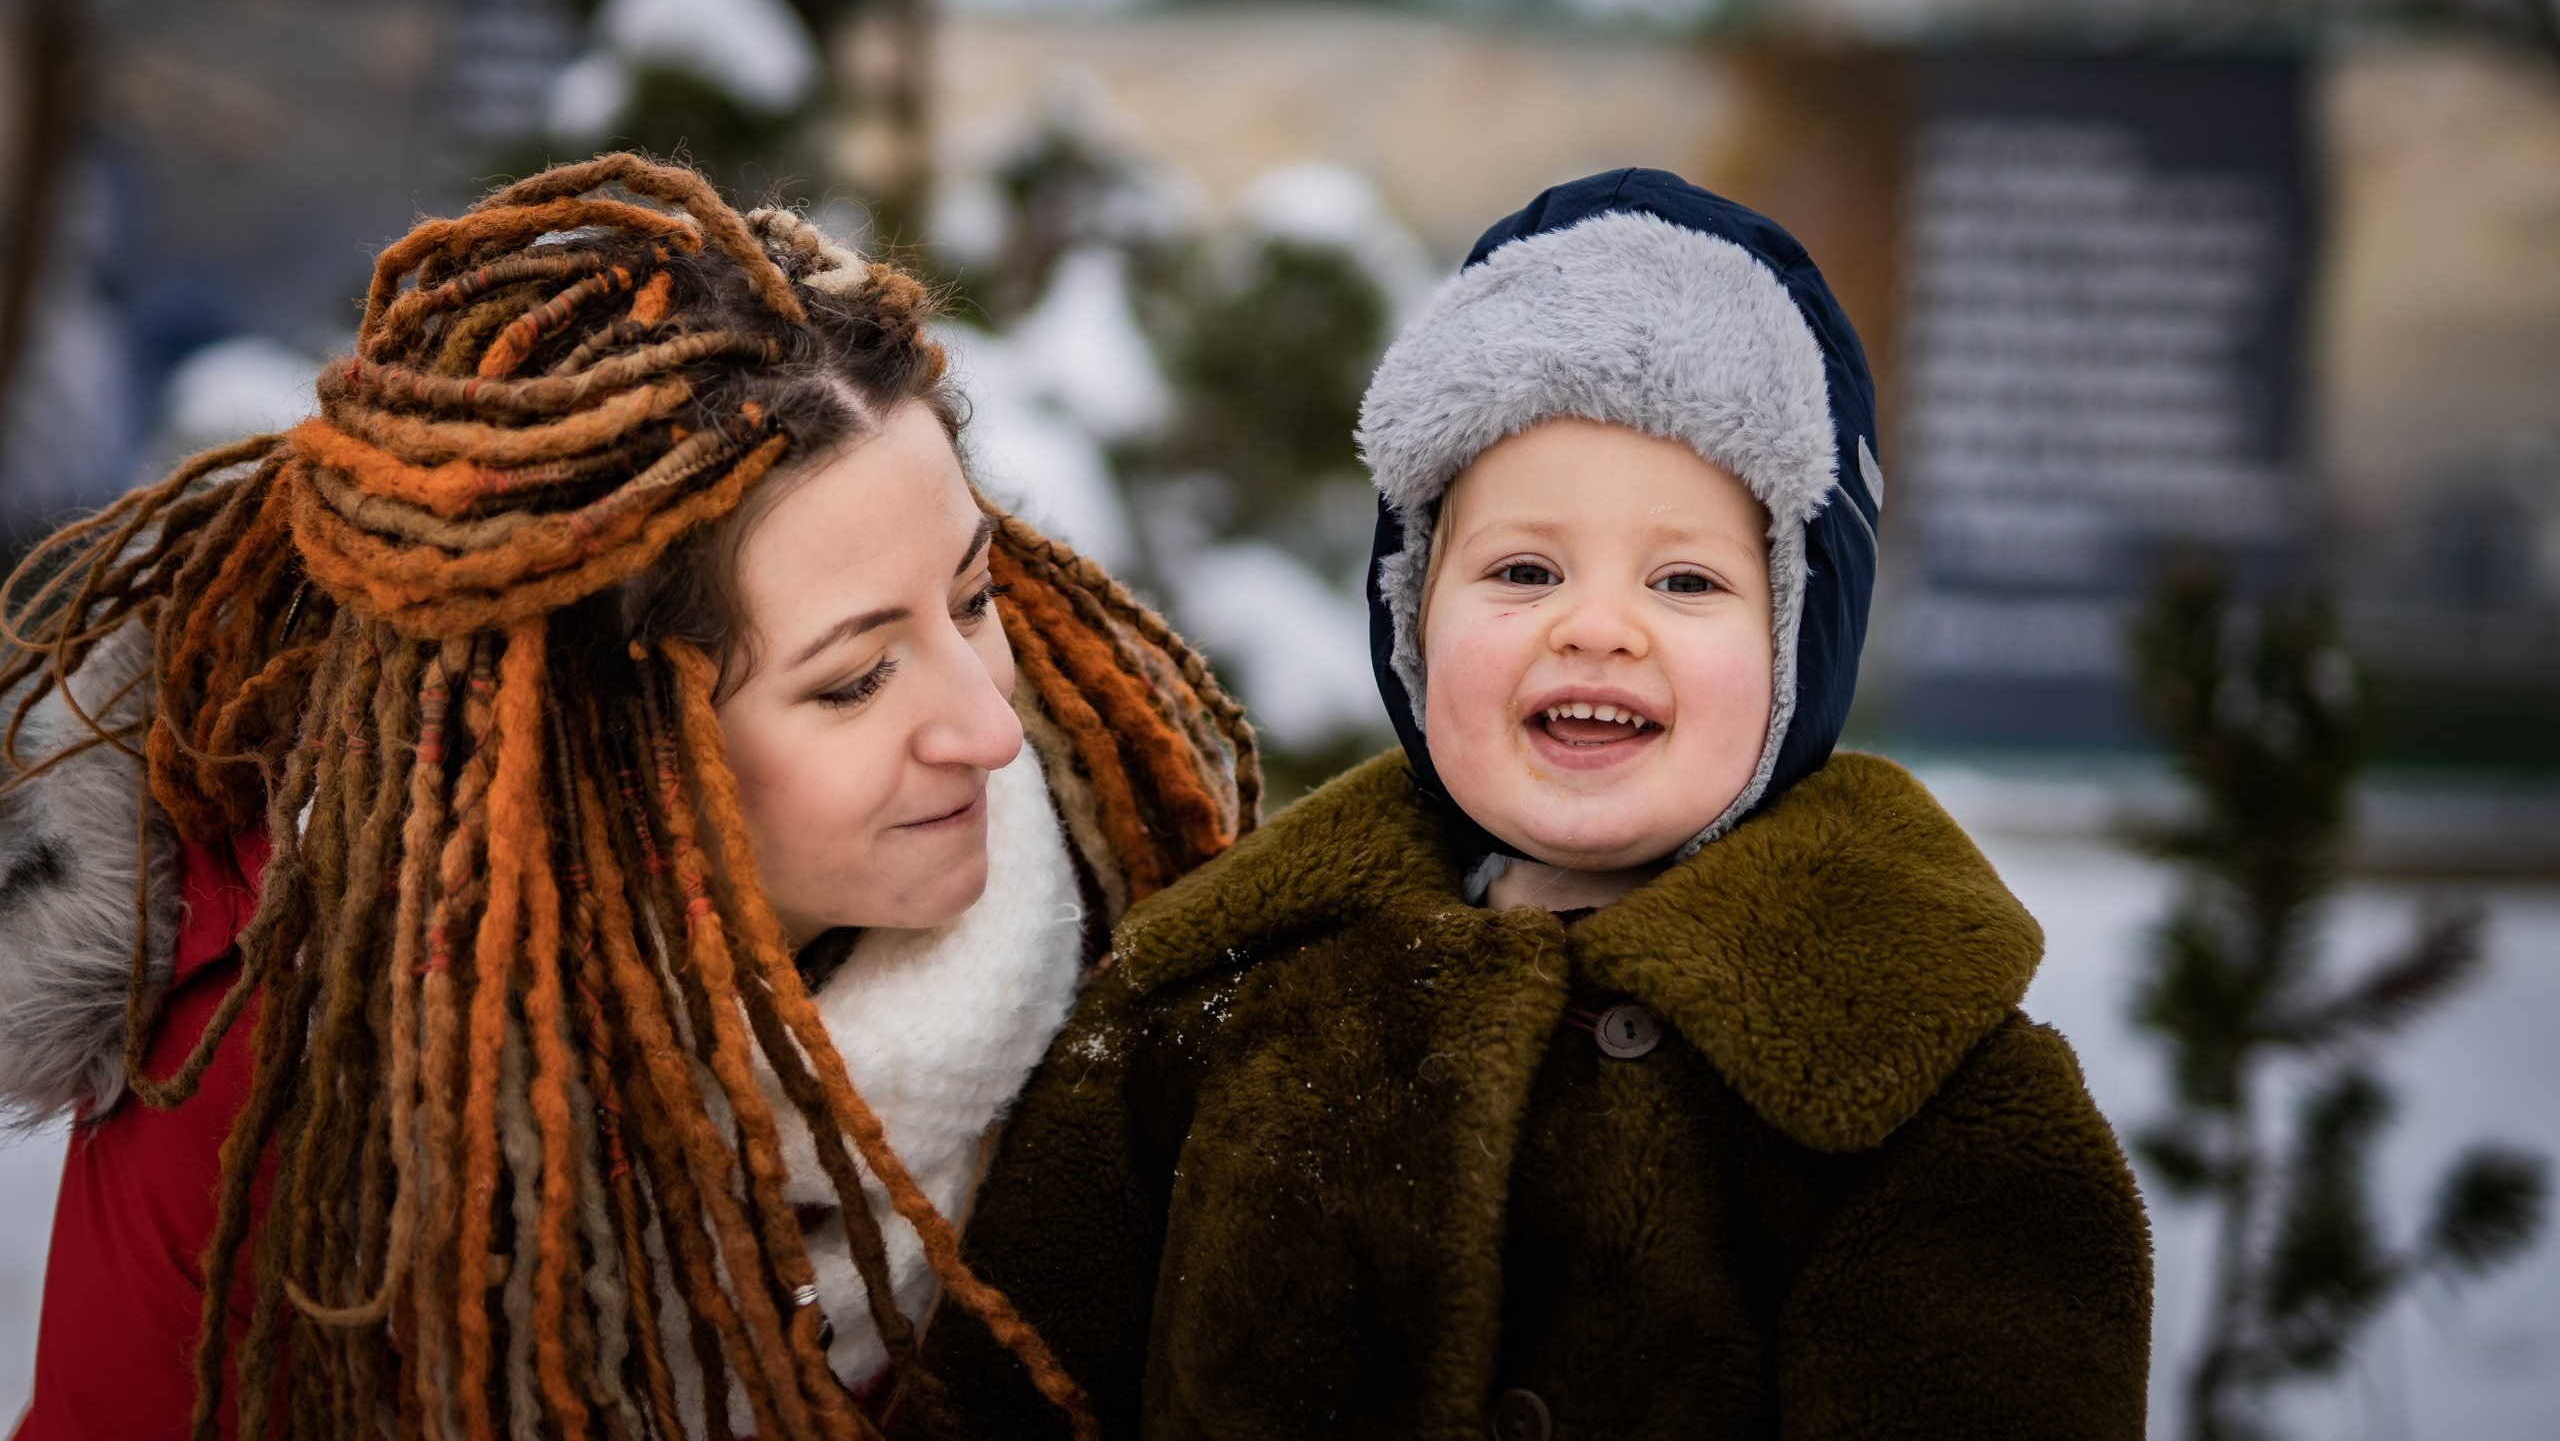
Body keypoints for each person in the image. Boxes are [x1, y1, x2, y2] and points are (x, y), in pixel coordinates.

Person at [0, 155, 1256, 1441]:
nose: (996, 731)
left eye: (975, 599)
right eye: (855, 680)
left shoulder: (1131, 926)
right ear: (613, 742)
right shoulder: (277, 1106)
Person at [927, 169, 2153, 1439]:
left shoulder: (1924, 1094)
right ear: (1411, 615)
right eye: (1523, 569)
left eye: (1685, 581)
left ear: (1801, 651)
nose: (1597, 628)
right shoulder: (1205, 1019)